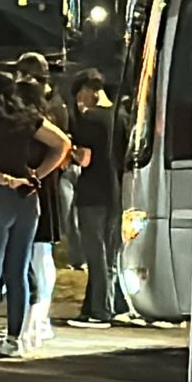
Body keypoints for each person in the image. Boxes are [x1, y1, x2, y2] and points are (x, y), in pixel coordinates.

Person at [0, 71, 70, 360]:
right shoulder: (27, 118)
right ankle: (13, 340)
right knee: (18, 271)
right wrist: (38, 175)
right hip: (27, 201)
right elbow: (62, 144)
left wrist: (7, 180)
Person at [14, 52, 70, 346]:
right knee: (34, 252)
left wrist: (39, 172)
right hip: (39, 182)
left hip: (42, 185)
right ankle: (37, 315)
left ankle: (41, 314)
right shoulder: (50, 106)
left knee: (40, 250)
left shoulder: (50, 108)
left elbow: (62, 145)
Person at [67, 69, 127, 328]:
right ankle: (101, 306)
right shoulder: (122, 117)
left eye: (81, 94)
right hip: (116, 191)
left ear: (89, 90)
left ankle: (100, 309)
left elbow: (85, 157)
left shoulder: (90, 119)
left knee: (96, 254)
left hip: (92, 190)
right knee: (111, 254)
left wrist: (69, 150)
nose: (81, 101)